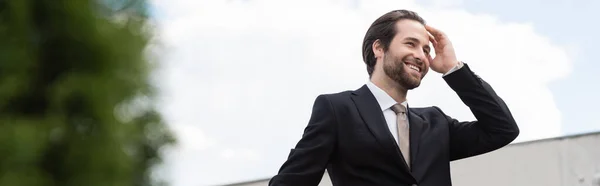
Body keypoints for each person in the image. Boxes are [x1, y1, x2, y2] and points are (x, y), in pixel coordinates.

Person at [269, 9, 520, 186]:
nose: (421, 56)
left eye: (426, 49)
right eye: (410, 44)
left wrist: (454, 68)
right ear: (379, 48)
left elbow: (503, 129)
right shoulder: (337, 109)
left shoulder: (435, 122)